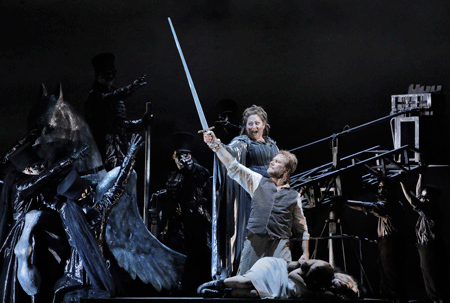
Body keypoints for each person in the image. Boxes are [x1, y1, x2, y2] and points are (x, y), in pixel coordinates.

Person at [204, 130, 309, 277]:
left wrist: (305, 253)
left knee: (276, 287)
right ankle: (222, 286)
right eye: (273, 159)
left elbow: (302, 229)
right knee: (245, 285)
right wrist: (215, 145)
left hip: (279, 247)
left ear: (286, 170)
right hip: (254, 246)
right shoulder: (259, 182)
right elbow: (234, 166)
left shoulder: (293, 196)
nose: (272, 162)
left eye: (277, 161)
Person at [0, 142, 88, 303]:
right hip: (24, 233)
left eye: (41, 164)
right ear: (27, 170)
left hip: (39, 232)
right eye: (37, 165)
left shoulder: (35, 185)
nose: (42, 167)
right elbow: (45, 176)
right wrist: (69, 159)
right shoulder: (21, 186)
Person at [211, 104, 279, 278]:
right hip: (251, 194)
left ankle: (267, 276)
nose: (254, 127)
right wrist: (218, 146)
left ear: (264, 124)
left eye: (257, 123)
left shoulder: (272, 145)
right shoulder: (243, 142)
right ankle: (247, 275)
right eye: (250, 124)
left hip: (270, 196)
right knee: (252, 236)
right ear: (245, 126)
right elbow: (231, 152)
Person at [332, 177, 407, 301]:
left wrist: (345, 202)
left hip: (391, 245)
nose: (381, 191)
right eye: (379, 188)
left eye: (385, 188)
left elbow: (369, 207)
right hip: (387, 244)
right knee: (386, 279)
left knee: (392, 278)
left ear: (393, 190)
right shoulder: (391, 203)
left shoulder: (390, 204)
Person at [156, 132, 212, 296]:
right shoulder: (174, 173)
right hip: (179, 219)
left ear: (189, 155)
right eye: (176, 157)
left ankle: (199, 283)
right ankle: (182, 284)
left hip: (198, 218)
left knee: (200, 251)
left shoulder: (199, 171)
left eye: (183, 156)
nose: (179, 160)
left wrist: (192, 167)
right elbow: (171, 194)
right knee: (176, 247)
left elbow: (204, 181)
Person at [84, 52, 150, 171]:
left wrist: (141, 123)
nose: (110, 77)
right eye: (106, 74)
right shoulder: (94, 97)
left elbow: (121, 125)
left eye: (112, 74)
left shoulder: (117, 97)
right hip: (101, 153)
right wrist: (129, 89)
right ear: (98, 76)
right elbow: (106, 100)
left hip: (121, 150)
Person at [399, 163, 449, 302]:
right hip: (426, 249)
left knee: (435, 284)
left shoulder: (432, 212)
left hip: (432, 250)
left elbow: (414, 201)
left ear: (432, 200)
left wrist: (403, 183)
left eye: (425, 198)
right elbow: (419, 195)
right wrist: (421, 175)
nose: (422, 199)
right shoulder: (428, 208)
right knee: (430, 282)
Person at [197, 257, 359, 299]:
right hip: (277, 269)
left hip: (284, 288)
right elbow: (292, 275)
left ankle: (222, 294)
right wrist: (312, 292)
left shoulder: (327, 291)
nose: (334, 286)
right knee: (247, 282)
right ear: (342, 279)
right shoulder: (324, 268)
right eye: (340, 285)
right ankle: (217, 283)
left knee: (255, 294)